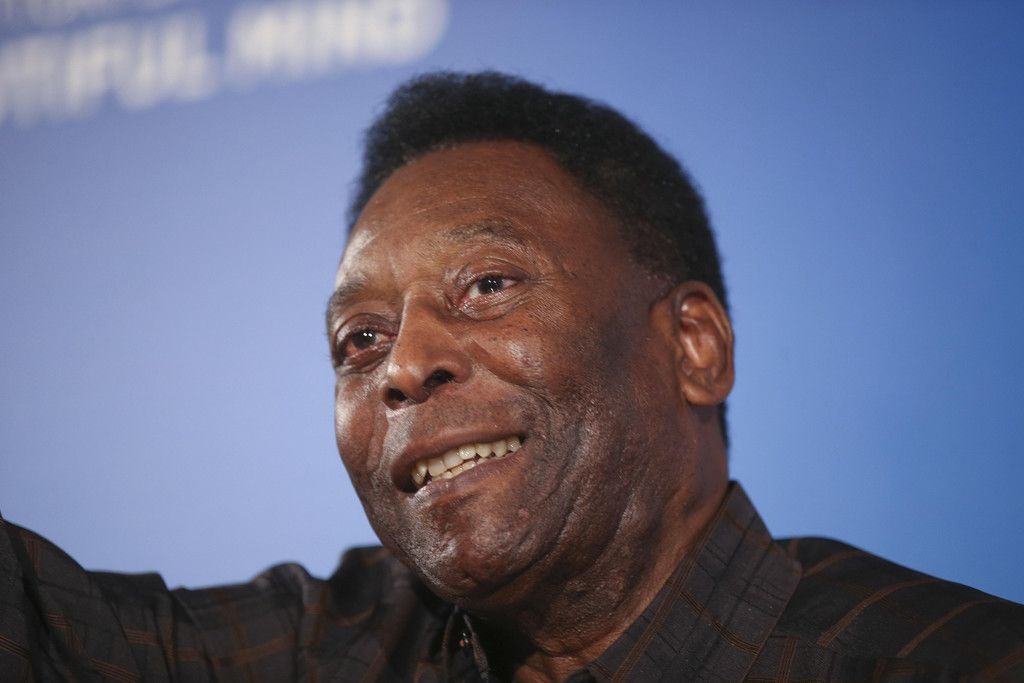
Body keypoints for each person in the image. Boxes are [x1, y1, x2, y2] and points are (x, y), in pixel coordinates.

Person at [1, 71, 1022, 682]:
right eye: (360, 338)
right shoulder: (334, 647)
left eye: (488, 284)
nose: (404, 364)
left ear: (694, 346)